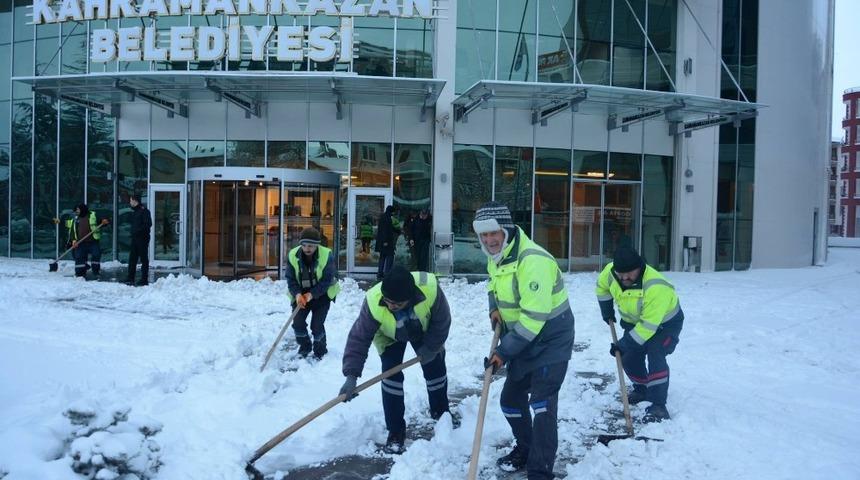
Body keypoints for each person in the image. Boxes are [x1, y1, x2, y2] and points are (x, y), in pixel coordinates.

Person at [474, 201, 575, 479]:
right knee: (510, 400)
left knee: (542, 404)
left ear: (506, 230)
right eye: (483, 236)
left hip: (551, 339)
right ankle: (527, 448)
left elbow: (533, 318)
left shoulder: (534, 261)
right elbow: (493, 283)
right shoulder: (497, 256)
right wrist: (493, 306)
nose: (489, 240)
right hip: (524, 338)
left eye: (494, 233)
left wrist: (503, 353)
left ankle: (540, 470)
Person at [339, 265, 453, 454]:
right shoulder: (374, 302)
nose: (390, 305)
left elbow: (442, 320)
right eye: (388, 301)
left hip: (423, 329)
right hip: (389, 335)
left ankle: (441, 413)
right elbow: (358, 339)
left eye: (396, 304)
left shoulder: (430, 289)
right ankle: (395, 432)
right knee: (391, 377)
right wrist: (351, 375)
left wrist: (431, 347)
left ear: (410, 297)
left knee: (435, 369)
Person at [595, 245, 684, 423]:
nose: (625, 278)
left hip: (664, 326)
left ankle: (658, 405)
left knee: (655, 353)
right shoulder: (611, 273)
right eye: (622, 274)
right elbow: (602, 288)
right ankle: (642, 388)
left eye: (630, 273)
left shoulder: (656, 286)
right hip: (635, 323)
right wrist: (607, 311)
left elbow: (648, 327)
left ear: (640, 267)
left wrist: (624, 343)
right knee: (627, 357)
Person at [286, 227, 341, 359]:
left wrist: (311, 295)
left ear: (317, 245)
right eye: (304, 245)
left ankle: (320, 350)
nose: (307, 248)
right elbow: (291, 278)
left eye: (311, 245)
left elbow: (327, 280)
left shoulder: (327, 255)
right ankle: (305, 346)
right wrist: (298, 294)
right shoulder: (293, 255)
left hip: (322, 295)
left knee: (317, 325)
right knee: (298, 323)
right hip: (300, 295)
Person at [65, 204, 106, 278]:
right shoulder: (75, 218)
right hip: (80, 242)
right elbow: (72, 230)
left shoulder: (93, 215)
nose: (76, 211)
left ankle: (96, 271)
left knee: (96, 255)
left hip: (93, 241)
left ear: (82, 209)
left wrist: (104, 221)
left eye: (78, 209)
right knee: (79, 257)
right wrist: (73, 240)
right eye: (76, 210)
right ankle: (80, 273)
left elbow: (102, 222)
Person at [125, 193, 152, 287]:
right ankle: (130, 278)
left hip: (142, 238)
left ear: (135, 201)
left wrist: (137, 231)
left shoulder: (144, 211)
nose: (130, 202)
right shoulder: (135, 211)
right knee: (132, 258)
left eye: (131, 200)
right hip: (135, 238)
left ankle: (144, 279)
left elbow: (148, 224)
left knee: (144, 259)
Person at [375, 205, 400, 280]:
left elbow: (388, 228)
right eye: (393, 212)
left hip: (382, 241)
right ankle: (387, 274)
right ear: (391, 211)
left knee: (382, 257)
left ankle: (380, 274)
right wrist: (385, 241)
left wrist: (397, 231)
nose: (394, 213)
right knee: (390, 257)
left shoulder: (383, 217)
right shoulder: (387, 218)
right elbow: (386, 230)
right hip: (387, 242)